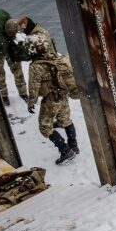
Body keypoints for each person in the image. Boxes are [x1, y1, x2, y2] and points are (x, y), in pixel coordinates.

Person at [24, 34, 79, 165]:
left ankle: (65, 150)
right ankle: (74, 145)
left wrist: (31, 102)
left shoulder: (36, 67)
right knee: (66, 120)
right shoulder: (56, 58)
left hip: (50, 100)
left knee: (45, 127)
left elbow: (34, 87)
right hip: (63, 96)